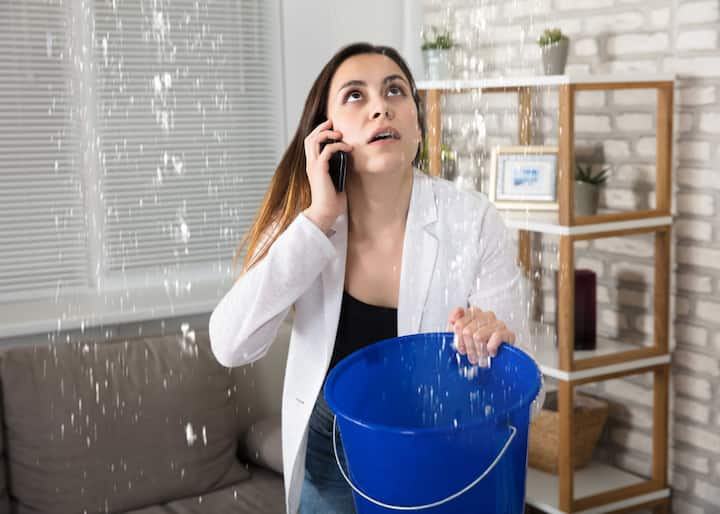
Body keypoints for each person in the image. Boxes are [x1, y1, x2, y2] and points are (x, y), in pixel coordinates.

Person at [208, 42, 533, 514]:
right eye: (355, 96)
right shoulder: (305, 220)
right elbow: (230, 344)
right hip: (329, 450)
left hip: (438, 445)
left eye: (395, 91)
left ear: (418, 128)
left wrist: (496, 344)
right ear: (327, 133)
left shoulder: (473, 220)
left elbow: (525, 392)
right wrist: (319, 218)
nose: (381, 106)